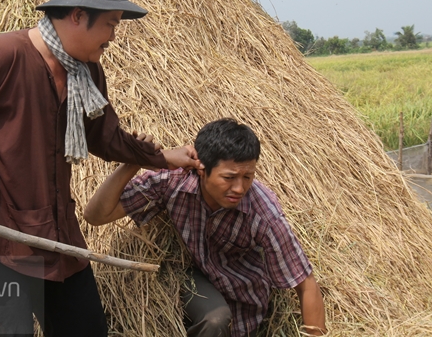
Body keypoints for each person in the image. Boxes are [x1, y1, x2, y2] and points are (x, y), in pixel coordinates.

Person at [0, 0, 200, 337]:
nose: (114, 36)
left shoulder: (87, 72)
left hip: (56, 232)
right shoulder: (4, 54)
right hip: (1, 235)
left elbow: (104, 136)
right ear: (77, 15)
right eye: (111, 23)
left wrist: (162, 158)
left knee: (84, 330)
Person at [84, 118, 327, 337]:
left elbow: (305, 284)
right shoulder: (174, 182)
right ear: (202, 170)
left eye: (248, 177)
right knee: (215, 320)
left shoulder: (262, 212)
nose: (240, 188)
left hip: (245, 303)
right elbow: (96, 215)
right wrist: (134, 160)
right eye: (229, 178)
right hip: (194, 282)